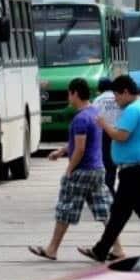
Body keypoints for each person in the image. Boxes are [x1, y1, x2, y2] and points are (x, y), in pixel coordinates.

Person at [29, 78, 124, 261]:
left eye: (69, 93)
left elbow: (80, 149)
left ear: (75, 94)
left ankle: (52, 249)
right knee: (103, 209)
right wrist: (62, 151)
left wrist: (69, 169)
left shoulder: (80, 119)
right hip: (97, 170)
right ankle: (118, 248)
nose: (68, 97)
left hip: (82, 170)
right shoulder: (94, 113)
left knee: (65, 209)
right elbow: (79, 144)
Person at [79, 75, 140, 263]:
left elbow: (121, 136)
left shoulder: (133, 110)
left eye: (117, 96)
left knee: (139, 212)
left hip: (134, 170)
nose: (116, 100)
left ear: (126, 92)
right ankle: (102, 249)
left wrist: (104, 124)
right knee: (124, 212)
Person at [92, 77, 121, 194]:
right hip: (120, 132)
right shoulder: (118, 98)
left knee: (107, 162)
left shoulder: (98, 100)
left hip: (104, 133)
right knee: (116, 162)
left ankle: (108, 187)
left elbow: (93, 117)